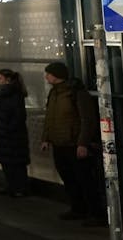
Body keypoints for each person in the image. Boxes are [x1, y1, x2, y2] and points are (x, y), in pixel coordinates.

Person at [41, 62, 103, 226]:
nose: (46, 77)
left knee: (85, 179)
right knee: (69, 178)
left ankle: (97, 213)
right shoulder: (54, 93)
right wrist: (46, 138)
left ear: (56, 75)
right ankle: (78, 208)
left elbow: (87, 119)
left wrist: (82, 143)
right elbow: (50, 117)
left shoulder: (75, 93)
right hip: (59, 143)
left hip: (74, 143)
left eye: (48, 74)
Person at [0, 69, 30, 197]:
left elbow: (18, 116)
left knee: (15, 163)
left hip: (12, 134)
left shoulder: (14, 95)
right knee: (7, 163)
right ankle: (12, 186)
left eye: (0, 78)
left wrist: (9, 129)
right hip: (4, 133)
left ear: (8, 80)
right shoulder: (2, 94)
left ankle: (20, 188)